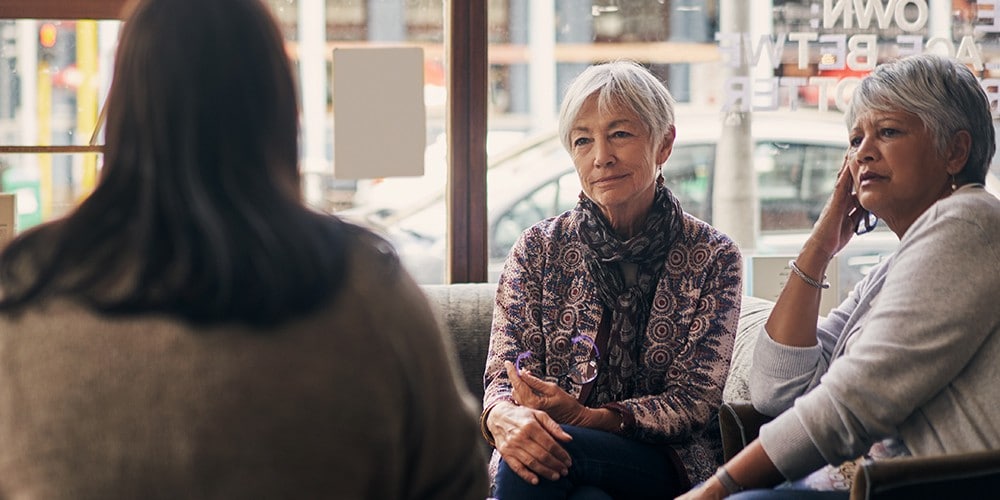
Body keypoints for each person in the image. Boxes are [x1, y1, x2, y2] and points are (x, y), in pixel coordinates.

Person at [0, 0, 488, 498]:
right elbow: (457, 482)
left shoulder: (25, 289)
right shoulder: (366, 289)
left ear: (123, 105)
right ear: (277, 109)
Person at [678, 53, 1000, 499]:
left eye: (888, 132)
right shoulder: (891, 270)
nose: (862, 153)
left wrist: (717, 487)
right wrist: (821, 245)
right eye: (855, 139)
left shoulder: (968, 224)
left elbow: (850, 404)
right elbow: (778, 390)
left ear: (955, 151)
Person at [480, 60, 744, 499]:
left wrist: (589, 418)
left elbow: (693, 402)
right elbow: (505, 374)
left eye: (620, 134)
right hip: (554, 455)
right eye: (583, 140)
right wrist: (502, 418)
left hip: (663, 460)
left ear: (664, 144)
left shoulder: (713, 257)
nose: (601, 156)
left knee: (544, 457)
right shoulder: (537, 250)